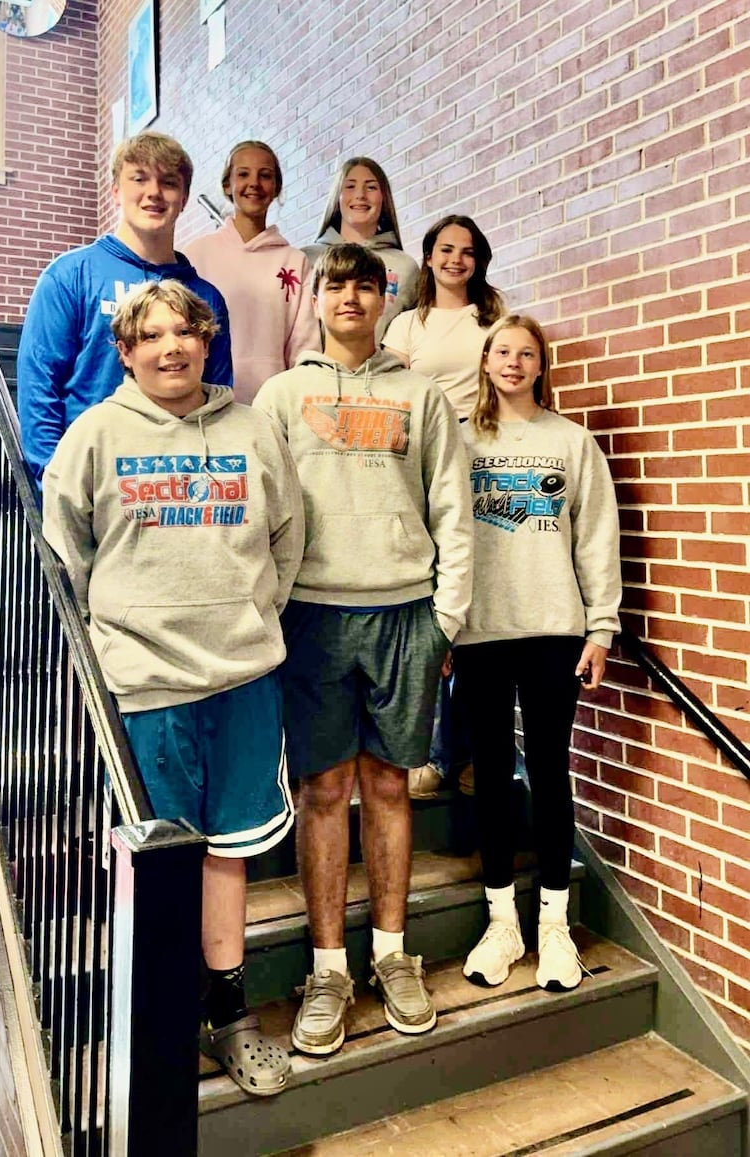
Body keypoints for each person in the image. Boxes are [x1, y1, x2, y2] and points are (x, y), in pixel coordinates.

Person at [41, 280, 304, 1097]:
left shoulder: (252, 428)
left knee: (227, 855)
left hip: (242, 677)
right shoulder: (94, 434)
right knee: (156, 866)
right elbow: (62, 560)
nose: (169, 347)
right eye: (150, 336)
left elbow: (289, 533)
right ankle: (153, 1019)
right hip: (145, 683)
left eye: (184, 332)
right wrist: (115, 639)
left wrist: (251, 612)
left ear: (206, 341)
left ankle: (227, 1012)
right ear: (125, 351)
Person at [254, 243, 473, 1057]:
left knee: (387, 785)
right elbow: (266, 512)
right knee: (321, 791)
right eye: (334, 283)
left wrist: (447, 618)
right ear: (313, 297)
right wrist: (272, 613)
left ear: (387, 297)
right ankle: (327, 969)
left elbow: (453, 504)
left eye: (365, 283)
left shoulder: (419, 395)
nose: (349, 296)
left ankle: (391, 953)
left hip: (404, 614)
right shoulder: (281, 394)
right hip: (312, 617)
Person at [453, 315, 621, 992]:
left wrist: (602, 628)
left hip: (556, 629)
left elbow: (597, 538)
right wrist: (444, 629)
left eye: (527, 353)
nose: (514, 362)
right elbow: (445, 539)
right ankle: (502, 922)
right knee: (490, 777)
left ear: (541, 364)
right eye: (502, 351)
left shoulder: (572, 443)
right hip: (480, 633)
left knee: (550, 772)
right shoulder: (459, 442)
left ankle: (555, 923)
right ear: (486, 361)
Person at [17, 131, 232, 482]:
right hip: (90, 478)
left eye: (168, 181)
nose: (153, 192)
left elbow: (218, 397)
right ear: (116, 190)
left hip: (179, 487)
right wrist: (54, 481)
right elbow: (39, 387)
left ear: (185, 197)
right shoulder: (70, 276)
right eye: (139, 178)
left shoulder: (206, 298)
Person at [385, 214, 505, 799]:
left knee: (477, 613)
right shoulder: (409, 323)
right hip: (423, 457)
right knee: (435, 610)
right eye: (445, 249)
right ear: (428, 257)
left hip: (481, 454)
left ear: (479, 260)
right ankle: (434, 754)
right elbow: (392, 391)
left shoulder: (494, 319)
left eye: (468, 251)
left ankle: (471, 755)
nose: (457, 259)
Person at [184, 140, 320, 404]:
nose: (254, 183)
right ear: (228, 185)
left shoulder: (294, 261)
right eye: (243, 174)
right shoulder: (195, 256)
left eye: (265, 175)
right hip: (205, 407)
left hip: (272, 409)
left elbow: (305, 347)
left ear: (276, 187)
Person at [302, 157, 418, 340]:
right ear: (337, 197)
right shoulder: (306, 259)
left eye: (371, 187)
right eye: (350, 186)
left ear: (384, 198)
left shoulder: (405, 267)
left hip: (381, 368)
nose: (360, 195)